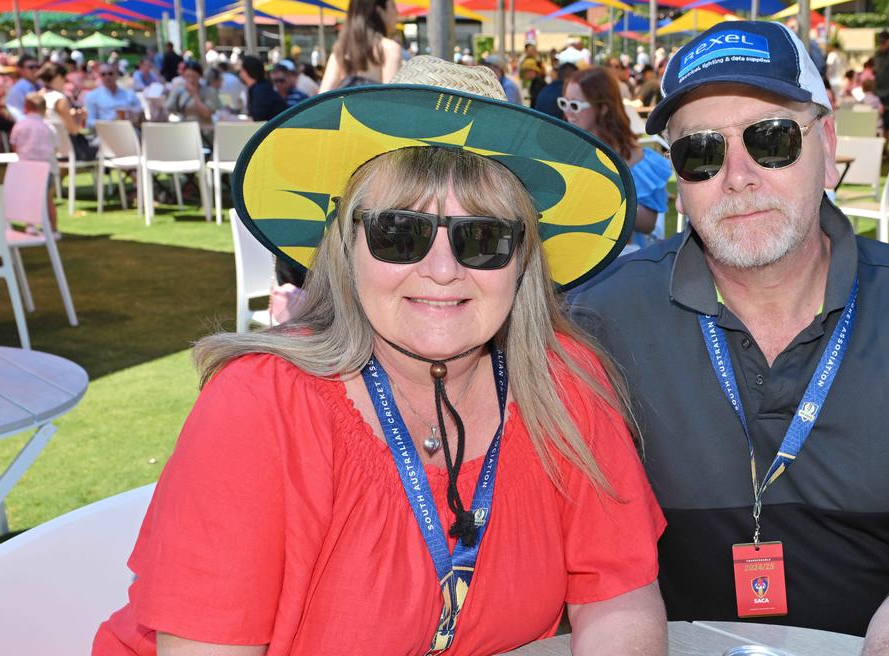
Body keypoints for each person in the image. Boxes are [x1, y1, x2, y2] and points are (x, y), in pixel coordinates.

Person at [93, 57, 667, 655]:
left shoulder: (565, 384)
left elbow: (618, 597)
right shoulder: (260, 405)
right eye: (400, 234)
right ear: (347, 247)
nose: (442, 271)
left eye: (482, 238)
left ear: (523, 261)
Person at [572, 20, 889, 651]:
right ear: (679, 182)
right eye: (702, 152)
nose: (738, 176)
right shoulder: (603, 317)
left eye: (771, 139)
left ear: (827, 145)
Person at [561, 68, 668, 248]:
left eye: (575, 105)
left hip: (623, 262)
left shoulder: (638, 159)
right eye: (564, 103)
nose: (568, 112)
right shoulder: (563, 149)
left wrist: (606, 195)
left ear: (602, 108)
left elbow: (649, 224)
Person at [319, 0, 404, 92]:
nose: (397, 12)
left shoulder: (342, 50)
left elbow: (321, 98)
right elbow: (392, 101)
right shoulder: (390, 49)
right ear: (379, 11)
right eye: (393, 6)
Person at [9, 92, 60, 231]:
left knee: (29, 198)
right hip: (46, 168)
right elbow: (55, 148)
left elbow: (15, 146)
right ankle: (53, 229)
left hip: (27, 168)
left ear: (26, 106)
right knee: (48, 199)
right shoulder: (48, 127)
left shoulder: (20, 125)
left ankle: (30, 225)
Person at [165, 62, 220, 140]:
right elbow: (168, 108)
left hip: (204, 133)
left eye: (194, 76)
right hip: (183, 131)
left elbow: (207, 113)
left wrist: (194, 94)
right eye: (188, 76)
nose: (191, 80)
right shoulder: (179, 90)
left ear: (200, 76)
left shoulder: (209, 91)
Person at [84, 63, 141, 128]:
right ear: (100, 76)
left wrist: (130, 112)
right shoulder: (92, 96)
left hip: (128, 130)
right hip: (106, 132)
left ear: (116, 74)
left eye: (110, 73)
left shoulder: (129, 94)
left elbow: (139, 112)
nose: (107, 77)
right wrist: (108, 123)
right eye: (103, 74)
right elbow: (89, 122)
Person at [239, 55, 287, 122]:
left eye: (241, 70)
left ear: (246, 72)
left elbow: (257, 119)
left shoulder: (261, 90)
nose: (240, 73)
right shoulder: (261, 87)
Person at [6, 55, 39, 120]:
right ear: (20, 70)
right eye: (31, 67)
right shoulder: (20, 88)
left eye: (37, 67)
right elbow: (17, 116)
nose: (35, 70)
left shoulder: (38, 84)